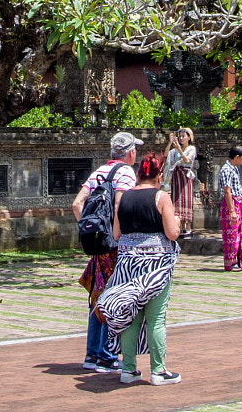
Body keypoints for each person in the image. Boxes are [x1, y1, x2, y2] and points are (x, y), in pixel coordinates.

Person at [97, 154, 182, 385]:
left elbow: (116, 234)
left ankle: (128, 369)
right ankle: (158, 371)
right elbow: (172, 233)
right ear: (159, 175)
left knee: (130, 317)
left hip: (127, 265)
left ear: (138, 174)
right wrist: (177, 221)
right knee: (155, 318)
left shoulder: (123, 198)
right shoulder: (161, 196)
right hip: (156, 265)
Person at [73, 131, 142, 372]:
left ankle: (93, 353)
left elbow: (76, 204)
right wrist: (116, 236)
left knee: (97, 294)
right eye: (135, 150)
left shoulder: (98, 171)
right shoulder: (126, 172)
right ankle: (105, 355)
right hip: (114, 246)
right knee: (111, 296)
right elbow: (119, 204)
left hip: (97, 245)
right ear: (130, 152)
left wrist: (89, 232)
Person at [215, 144, 242, 271]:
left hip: (238, 203)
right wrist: (232, 210)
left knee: (241, 233)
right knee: (232, 234)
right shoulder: (226, 169)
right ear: (237, 157)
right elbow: (227, 191)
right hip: (231, 203)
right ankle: (232, 262)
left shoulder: (234, 169)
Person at [164, 129, 197, 236]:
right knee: (176, 200)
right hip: (176, 177)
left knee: (186, 199)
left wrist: (179, 148)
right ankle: (179, 226)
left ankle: (187, 227)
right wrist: (170, 142)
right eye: (180, 136)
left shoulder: (191, 148)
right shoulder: (174, 151)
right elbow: (166, 155)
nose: (181, 138)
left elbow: (187, 160)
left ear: (189, 137)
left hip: (185, 177)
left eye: (184, 136)